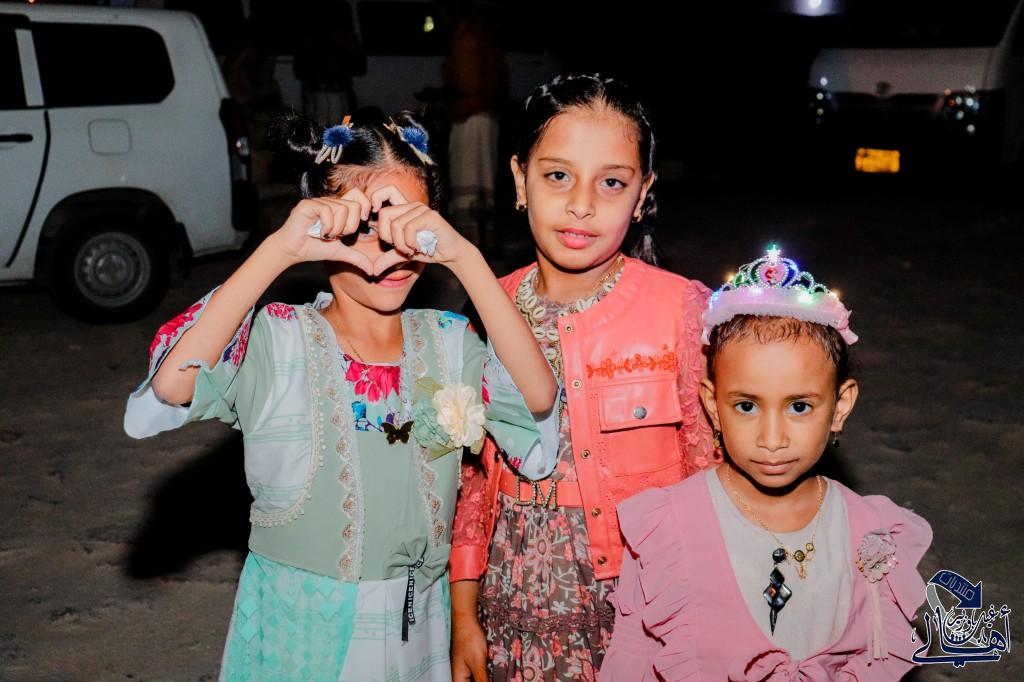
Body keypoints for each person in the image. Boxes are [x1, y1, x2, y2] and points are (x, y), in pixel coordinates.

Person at [123, 111, 558, 680]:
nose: (389, 251)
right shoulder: (279, 340)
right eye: (365, 227)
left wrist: (466, 258)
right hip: (299, 630)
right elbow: (170, 385)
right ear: (323, 227)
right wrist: (279, 250)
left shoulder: (449, 342)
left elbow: (538, 398)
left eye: (408, 225)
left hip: (419, 629)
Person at [449, 74, 716, 681]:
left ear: (643, 194)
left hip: (639, 607)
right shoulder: (485, 309)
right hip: (509, 599)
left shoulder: (682, 311)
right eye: (557, 175)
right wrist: (464, 611)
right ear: (520, 179)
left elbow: (714, 475)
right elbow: (470, 484)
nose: (582, 204)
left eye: (612, 182)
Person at [600, 246, 933, 680]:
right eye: (746, 406)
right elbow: (631, 660)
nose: (772, 440)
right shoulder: (668, 529)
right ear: (712, 405)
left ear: (840, 406)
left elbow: (877, 656)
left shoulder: (870, 533)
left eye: (799, 407)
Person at [441, 0, 508, 253]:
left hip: (473, 119)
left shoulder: (469, 38)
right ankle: (479, 242)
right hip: (477, 116)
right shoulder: (475, 35)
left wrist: (456, 103)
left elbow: (472, 86)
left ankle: (473, 244)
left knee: (472, 181)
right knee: (478, 181)